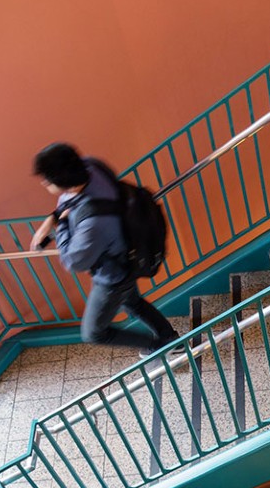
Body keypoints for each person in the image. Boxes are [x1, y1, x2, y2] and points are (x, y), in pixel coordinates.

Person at [30, 143, 179, 358]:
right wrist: (52, 219)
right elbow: (69, 202)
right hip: (127, 256)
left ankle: (160, 345)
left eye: (46, 178)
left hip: (113, 276)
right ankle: (169, 338)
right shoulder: (92, 166)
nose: (44, 182)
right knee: (132, 302)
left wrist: (61, 225)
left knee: (93, 333)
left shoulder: (94, 222)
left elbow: (74, 261)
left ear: (63, 182)